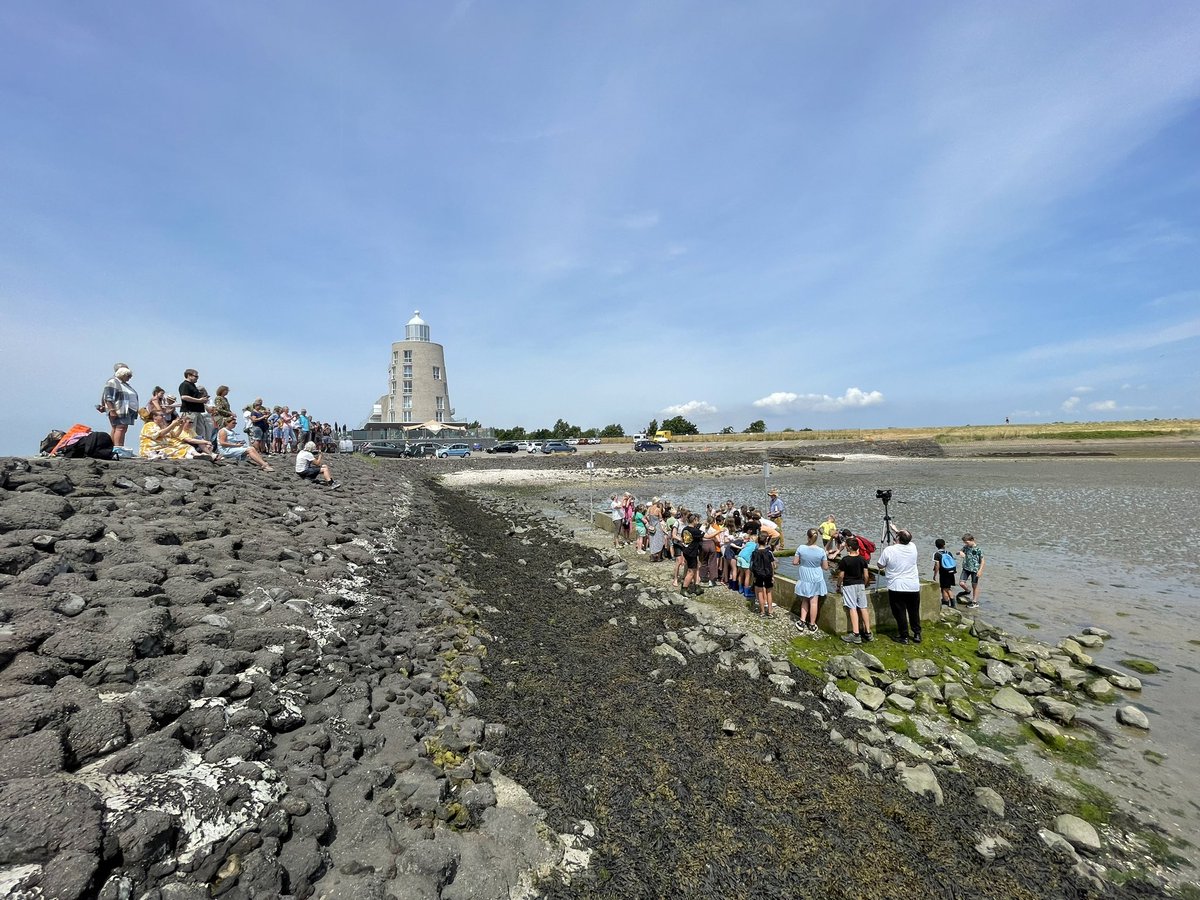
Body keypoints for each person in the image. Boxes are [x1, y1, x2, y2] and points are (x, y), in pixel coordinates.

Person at [876, 528, 922, 644]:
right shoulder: (913, 547)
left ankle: (904, 636)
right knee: (914, 611)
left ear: (897, 539)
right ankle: (917, 634)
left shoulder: (889, 550)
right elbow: (906, 536)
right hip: (913, 585)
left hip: (897, 586)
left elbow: (880, 565)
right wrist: (896, 529)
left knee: (900, 612)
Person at [791, 528, 829, 635]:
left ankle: (802, 621)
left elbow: (795, 562)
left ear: (807, 537)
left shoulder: (801, 548)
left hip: (805, 576)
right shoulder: (821, 551)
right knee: (814, 602)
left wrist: (802, 562)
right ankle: (812, 624)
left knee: (805, 600)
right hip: (816, 577)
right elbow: (825, 567)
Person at [837, 537, 872, 643]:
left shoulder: (845, 560)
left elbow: (841, 575)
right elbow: (866, 575)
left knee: (852, 607)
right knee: (863, 607)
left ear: (849, 547)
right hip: (860, 584)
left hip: (849, 585)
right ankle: (868, 632)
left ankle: (856, 634)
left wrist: (838, 585)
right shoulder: (862, 559)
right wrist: (864, 584)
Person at [100, 363, 139, 451]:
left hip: (127, 410)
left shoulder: (124, 384)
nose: (129, 377)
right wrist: (111, 410)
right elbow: (107, 396)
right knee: (120, 428)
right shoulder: (113, 381)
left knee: (121, 428)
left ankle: (116, 447)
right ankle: (118, 448)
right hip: (119, 409)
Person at [179, 369, 212, 444]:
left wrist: (203, 399)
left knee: (200, 431)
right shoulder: (185, 385)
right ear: (189, 376)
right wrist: (199, 400)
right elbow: (184, 397)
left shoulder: (192, 385)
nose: (197, 378)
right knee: (191, 430)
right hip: (190, 412)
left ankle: (201, 447)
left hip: (197, 411)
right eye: (195, 376)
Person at [679, 513, 705, 595]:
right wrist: (719, 531)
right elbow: (707, 536)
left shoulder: (685, 529)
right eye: (697, 520)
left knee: (696, 568)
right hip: (691, 553)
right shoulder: (694, 531)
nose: (698, 522)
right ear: (694, 520)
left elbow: (682, 539)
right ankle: (684, 589)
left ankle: (697, 586)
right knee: (691, 572)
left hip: (686, 551)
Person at [750, 539, 777, 617]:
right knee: (769, 592)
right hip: (768, 574)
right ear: (766, 542)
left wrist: (754, 576)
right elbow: (772, 565)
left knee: (760, 592)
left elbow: (752, 565)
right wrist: (772, 576)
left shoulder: (754, 553)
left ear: (758, 542)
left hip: (758, 574)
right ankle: (770, 611)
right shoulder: (769, 553)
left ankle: (762, 611)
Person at [957, 534, 985, 608]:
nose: (966, 544)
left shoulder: (978, 549)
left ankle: (975, 602)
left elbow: (982, 561)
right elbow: (958, 552)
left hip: (975, 569)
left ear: (972, 540)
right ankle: (967, 591)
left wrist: (980, 571)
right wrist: (960, 553)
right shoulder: (966, 547)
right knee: (961, 583)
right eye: (965, 542)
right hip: (966, 568)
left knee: (974, 585)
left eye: (967, 542)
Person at [933, 538, 958, 607]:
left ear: (936, 545)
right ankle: (953, 604)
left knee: (944, 589)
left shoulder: (937, 554)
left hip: (944, 573)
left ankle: (946, 603)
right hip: (951, 572)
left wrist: (935, 575)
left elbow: (937, 565)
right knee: (948, 588)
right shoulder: (948, 553)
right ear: (944, 545)